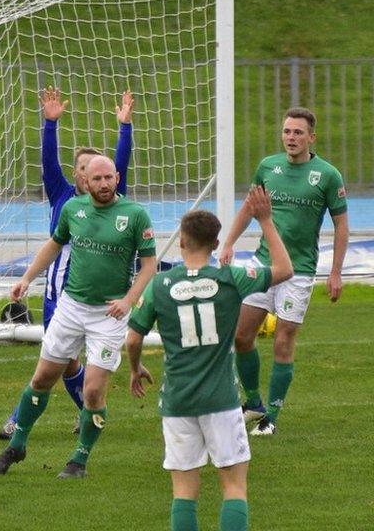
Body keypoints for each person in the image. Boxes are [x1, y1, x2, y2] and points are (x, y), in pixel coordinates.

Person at [127, 187, 293, 531]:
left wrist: (135, 367)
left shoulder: (159, 285)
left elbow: (132, 339)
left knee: (184, 491)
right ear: (216, 245)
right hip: (221, 399)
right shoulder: (229, 278)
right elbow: (284, 269)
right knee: (234, 486)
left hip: (177, 400)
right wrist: (264, 220)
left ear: (182, 243)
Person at [0, 155, 157, 478]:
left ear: (117, 178)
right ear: (85, 182)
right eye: (97, 179)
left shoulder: (135, 216)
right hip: (71, 307)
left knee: (93, 391)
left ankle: (79, 460)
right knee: (41, 379)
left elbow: (148, 265)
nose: (104, 184)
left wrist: (128, 300)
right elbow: (53, 245)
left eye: (109, 178)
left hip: (109, 315)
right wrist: (26, 278)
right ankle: (17, 445)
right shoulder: (72, 210)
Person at [0, 86, 135, 440]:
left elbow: (121, 165)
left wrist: (125, 127)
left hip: (94, 294)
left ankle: (21, 418)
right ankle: (85, 412)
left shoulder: (113, 202)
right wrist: (50, 124)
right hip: (57, 294)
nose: (91, 173)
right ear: (77, 174)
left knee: (63, 364)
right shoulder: (62, 198)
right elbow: (47, 163)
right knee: (61, 362)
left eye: (97, 168)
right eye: (83, 168)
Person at [218, 107, 349, 436]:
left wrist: (336, 272)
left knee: (283, 341)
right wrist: (229, 242)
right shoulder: (268, 167)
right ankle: (254, 402)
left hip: (300, 271)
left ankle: (270, 417)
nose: (291, 137)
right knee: (241, 335)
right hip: (264, 264)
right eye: (287, 132)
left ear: (311, 137)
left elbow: (342, 225)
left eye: (298, 133)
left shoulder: (328, 175)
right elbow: (250, 207)